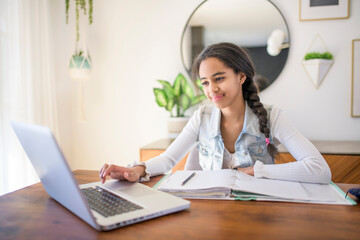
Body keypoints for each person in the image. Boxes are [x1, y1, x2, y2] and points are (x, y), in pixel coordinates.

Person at [99, 42, 331, 184]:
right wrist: (137, 170)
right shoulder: (201, 118)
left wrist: (256, 171)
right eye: (205, 83)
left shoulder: (273, 117)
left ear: (241, 76)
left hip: (259, 211)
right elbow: (169, 159)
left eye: (219, 78)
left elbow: (319, 170)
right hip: (211, 212)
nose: (212, 90)